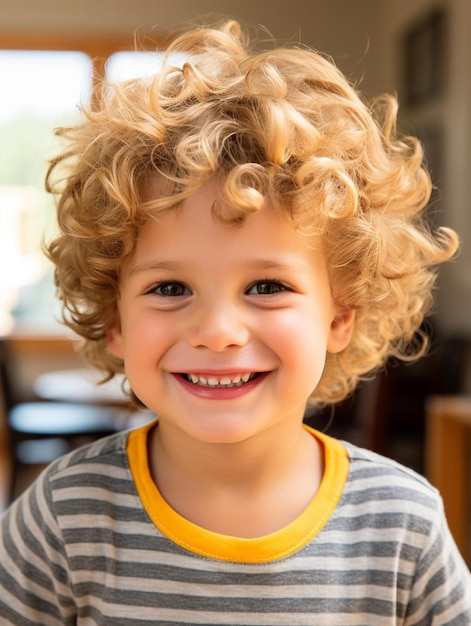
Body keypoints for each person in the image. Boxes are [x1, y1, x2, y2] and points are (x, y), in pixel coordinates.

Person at [0, 19, 469, 625]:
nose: (217, 330)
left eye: (267, 287)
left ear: (341, 315)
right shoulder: (63, 518)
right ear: (115, 319)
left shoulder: (403, 523)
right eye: (170, 288)